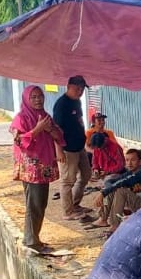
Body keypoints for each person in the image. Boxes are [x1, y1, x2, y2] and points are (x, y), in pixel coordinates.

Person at [11, 84, 65, 249]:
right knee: (34, 204)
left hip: (44, 166)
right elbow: (19, 141)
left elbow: (59, 136)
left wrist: (49, 129)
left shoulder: (45, 116)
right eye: (33, 97)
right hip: (32, 169)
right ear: (27, 99)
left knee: (40, 203)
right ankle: (31, 241)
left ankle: (34, 238)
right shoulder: (21, 118)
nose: (38, 100)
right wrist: (37, 129)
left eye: (40, 96)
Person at [52, 75, 92, 220]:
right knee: (68, 180)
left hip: (79, 146)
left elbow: (79, 120)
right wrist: (59, 150)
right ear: (68, 87)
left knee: (86, 175)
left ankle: (75, 204)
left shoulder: (77, 102)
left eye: (82, 89)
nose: (80, 92)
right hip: (67, 148)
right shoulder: (61, 105)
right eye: (77, 89)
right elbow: (55, 129)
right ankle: (68, 211)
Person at [96, 148, 141, 230]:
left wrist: (103, 193)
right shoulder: (130, 172)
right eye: (127, 160)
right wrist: (106, 191)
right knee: (112, 189)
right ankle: (103, 219)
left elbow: (123, 181)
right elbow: (110, 181)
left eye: (133, 160)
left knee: (120, 190)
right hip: (136, 202)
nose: (129, 163)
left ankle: (115, 226)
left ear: (140, 161)